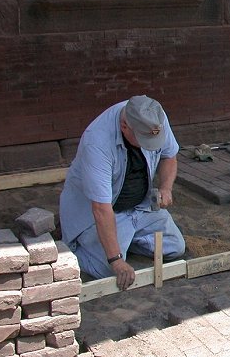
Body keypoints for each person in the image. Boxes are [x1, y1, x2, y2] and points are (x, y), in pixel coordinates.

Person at [59, 95, 186, 290]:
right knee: (108, 271)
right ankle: (78, 248)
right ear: (125, 127)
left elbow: (169, 155)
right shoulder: (97, 143)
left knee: (175, 247)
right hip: (105, 213)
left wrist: (166, 187)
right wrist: (116, 260)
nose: (150, 145)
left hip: (140, 208)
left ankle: (125, 238)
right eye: (144, 140)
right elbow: (101, 209)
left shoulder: (154, 117)